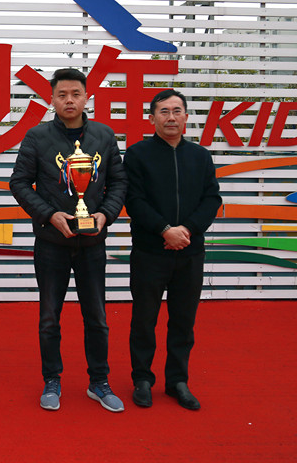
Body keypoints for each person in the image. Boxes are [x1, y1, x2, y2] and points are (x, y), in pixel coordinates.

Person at [9, 68, 127, 413]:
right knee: (49, 317)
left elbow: (119, 181)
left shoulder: (104, 135)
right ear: (52, 99)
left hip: (92, 243)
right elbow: (19, 183)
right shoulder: (36, 136)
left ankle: (99, 382)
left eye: (76, 93)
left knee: (97, 317)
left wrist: (105, 215)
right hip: (51, 242)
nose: (69, 100)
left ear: (87, 97)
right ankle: (52, 380)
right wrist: (49, 215)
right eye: (62, 95)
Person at [124, 89, 221, 410]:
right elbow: (134, 200)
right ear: (152, 118)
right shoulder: (137, 154)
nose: (171, 117)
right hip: (150, 252)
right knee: (144, 319)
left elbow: (212, 199)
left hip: (190, 253)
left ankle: (177, 380)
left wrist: (187, 231)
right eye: (163, 111)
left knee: (183, 321)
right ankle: (142, 379)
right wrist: (165, 230)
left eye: (177, 111)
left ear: (186, 117)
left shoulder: (200, 156)